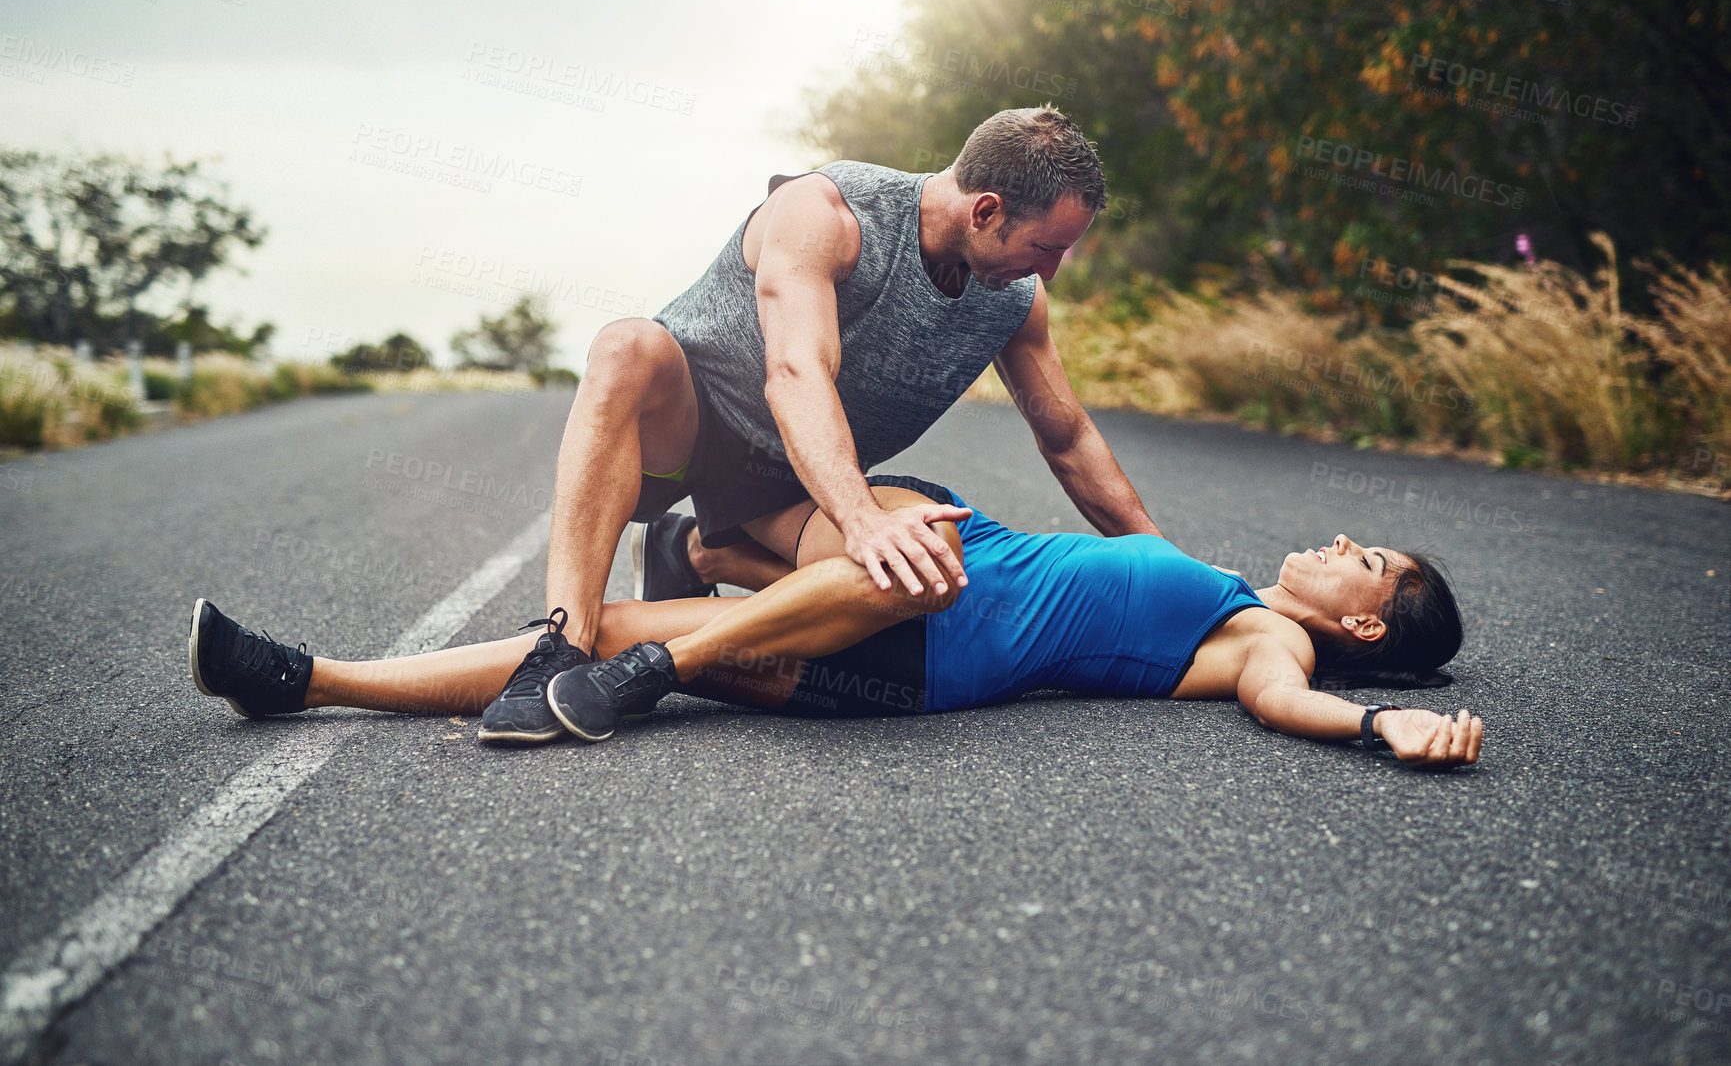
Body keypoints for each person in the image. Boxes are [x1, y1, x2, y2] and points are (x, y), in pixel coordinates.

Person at [517, 105, 1167, 743]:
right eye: (1045, 247)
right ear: (986, 210)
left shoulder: (1015, 302)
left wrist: (1169, 571)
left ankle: (694, 549)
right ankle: (560, 645)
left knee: (918, 576)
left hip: (787, 487)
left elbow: (1068, 438)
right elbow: (796, 371)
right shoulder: (828, 212)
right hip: (684, 431)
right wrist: (861, 517)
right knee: (626, 345)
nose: (1050, 270)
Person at [187, 477, 1482, 769]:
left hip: (925, 640)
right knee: (600, 616)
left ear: (1365, 625)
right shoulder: (1240, 592)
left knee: (635, 633)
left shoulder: (1276, 645)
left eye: (1357, 557)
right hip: (929, 566)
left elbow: (1279, 704)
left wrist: (1382, 724)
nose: (1328, 543)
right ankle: (299, 677)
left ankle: (651, 663)